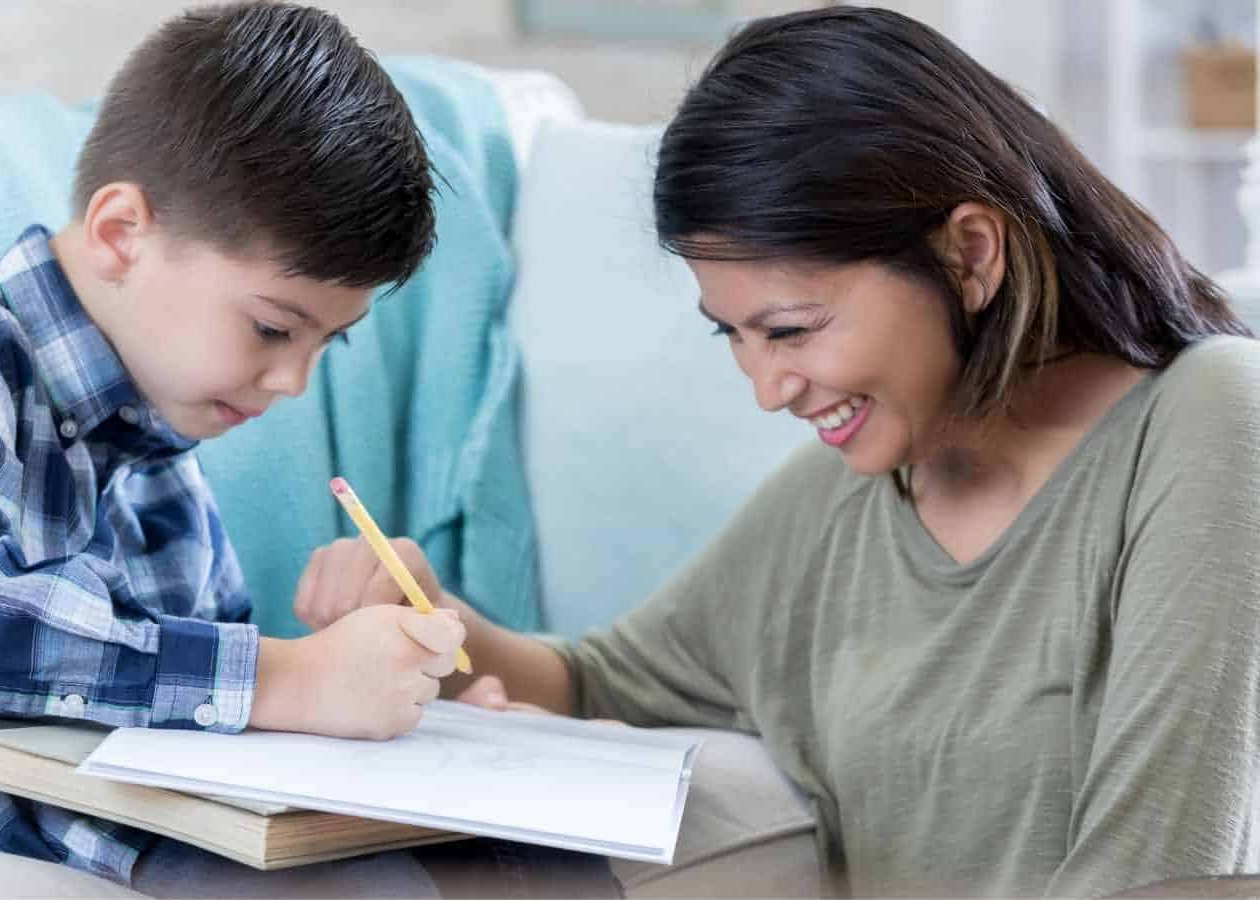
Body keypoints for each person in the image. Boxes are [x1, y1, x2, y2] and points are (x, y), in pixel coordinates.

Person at [297, 6, 1260, 898]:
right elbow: (600, 681)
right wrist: (431, 621)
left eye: (793, 330)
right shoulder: (843, 501)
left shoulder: (1208, 420)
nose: (768, 389)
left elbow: (1162, 870)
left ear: (970, 253)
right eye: (735, 336)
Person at [0, 4, 617, 898]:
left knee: (534, 863)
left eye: (328, 343)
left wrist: (401, 714)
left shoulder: (159, 442)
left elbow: (191, 697)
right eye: (274, 328)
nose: (294, 382)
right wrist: (289, 678)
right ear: (122, 233)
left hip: (135, 821)